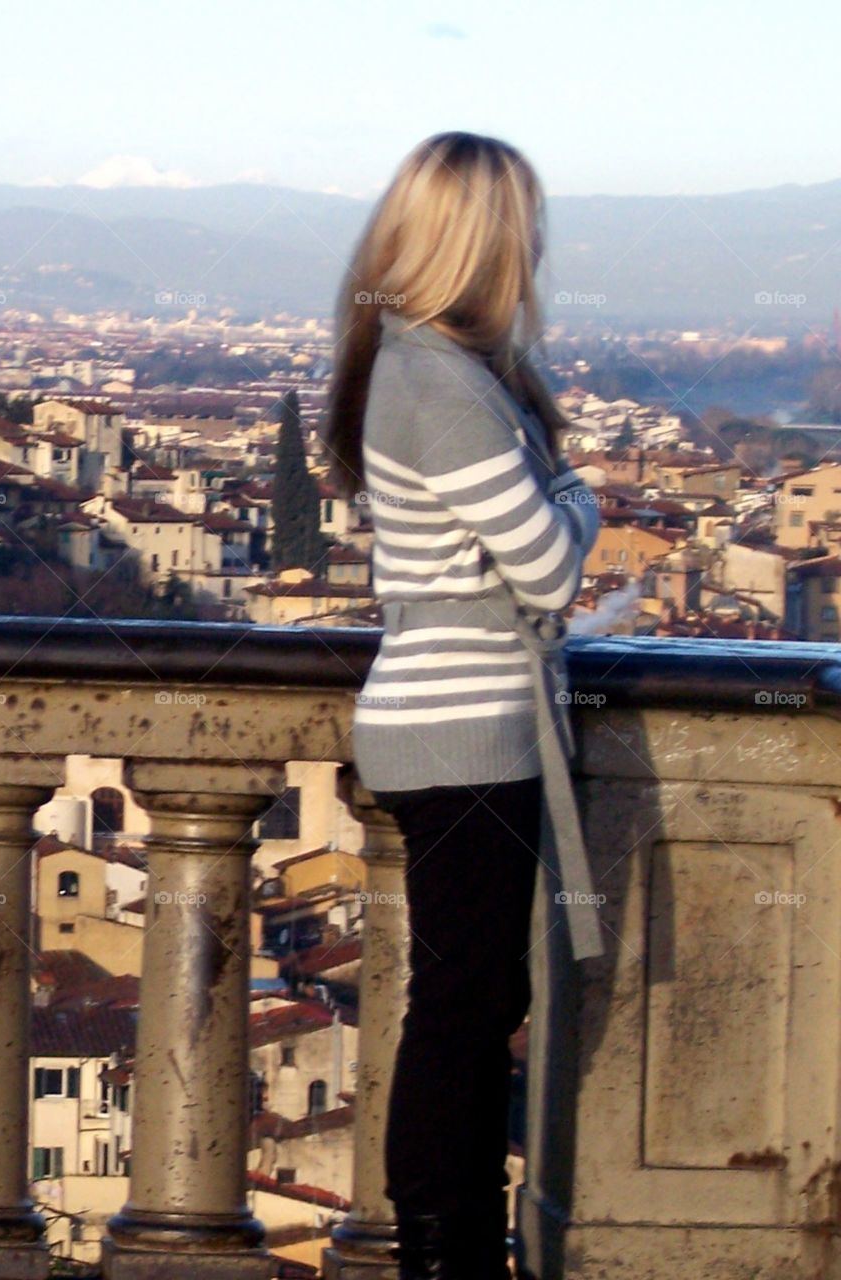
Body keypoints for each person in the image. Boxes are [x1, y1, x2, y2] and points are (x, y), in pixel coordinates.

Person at [321, 132, 602, 1279]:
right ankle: (445, 1253)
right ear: (485, 240)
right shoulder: (437, 379)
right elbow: (548, 568)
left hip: (456, 725)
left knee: (470, 1004)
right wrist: (579, 492)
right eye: (522, 228)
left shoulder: (420, 364)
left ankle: (450, 1245)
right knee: (462, 1014)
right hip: (468, 733)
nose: (534, 250)